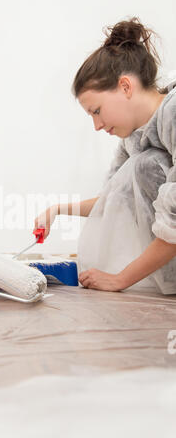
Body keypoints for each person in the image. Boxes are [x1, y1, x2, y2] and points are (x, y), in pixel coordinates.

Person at [34, 17, 176, 294]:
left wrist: (120, 279)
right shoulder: (134, 137)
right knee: (140, 165)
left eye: (97, 111)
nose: (97, 126)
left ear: (125, 87)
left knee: (145, 166)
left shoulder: (173, 113)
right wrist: (58, 210)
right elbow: (113, 199)